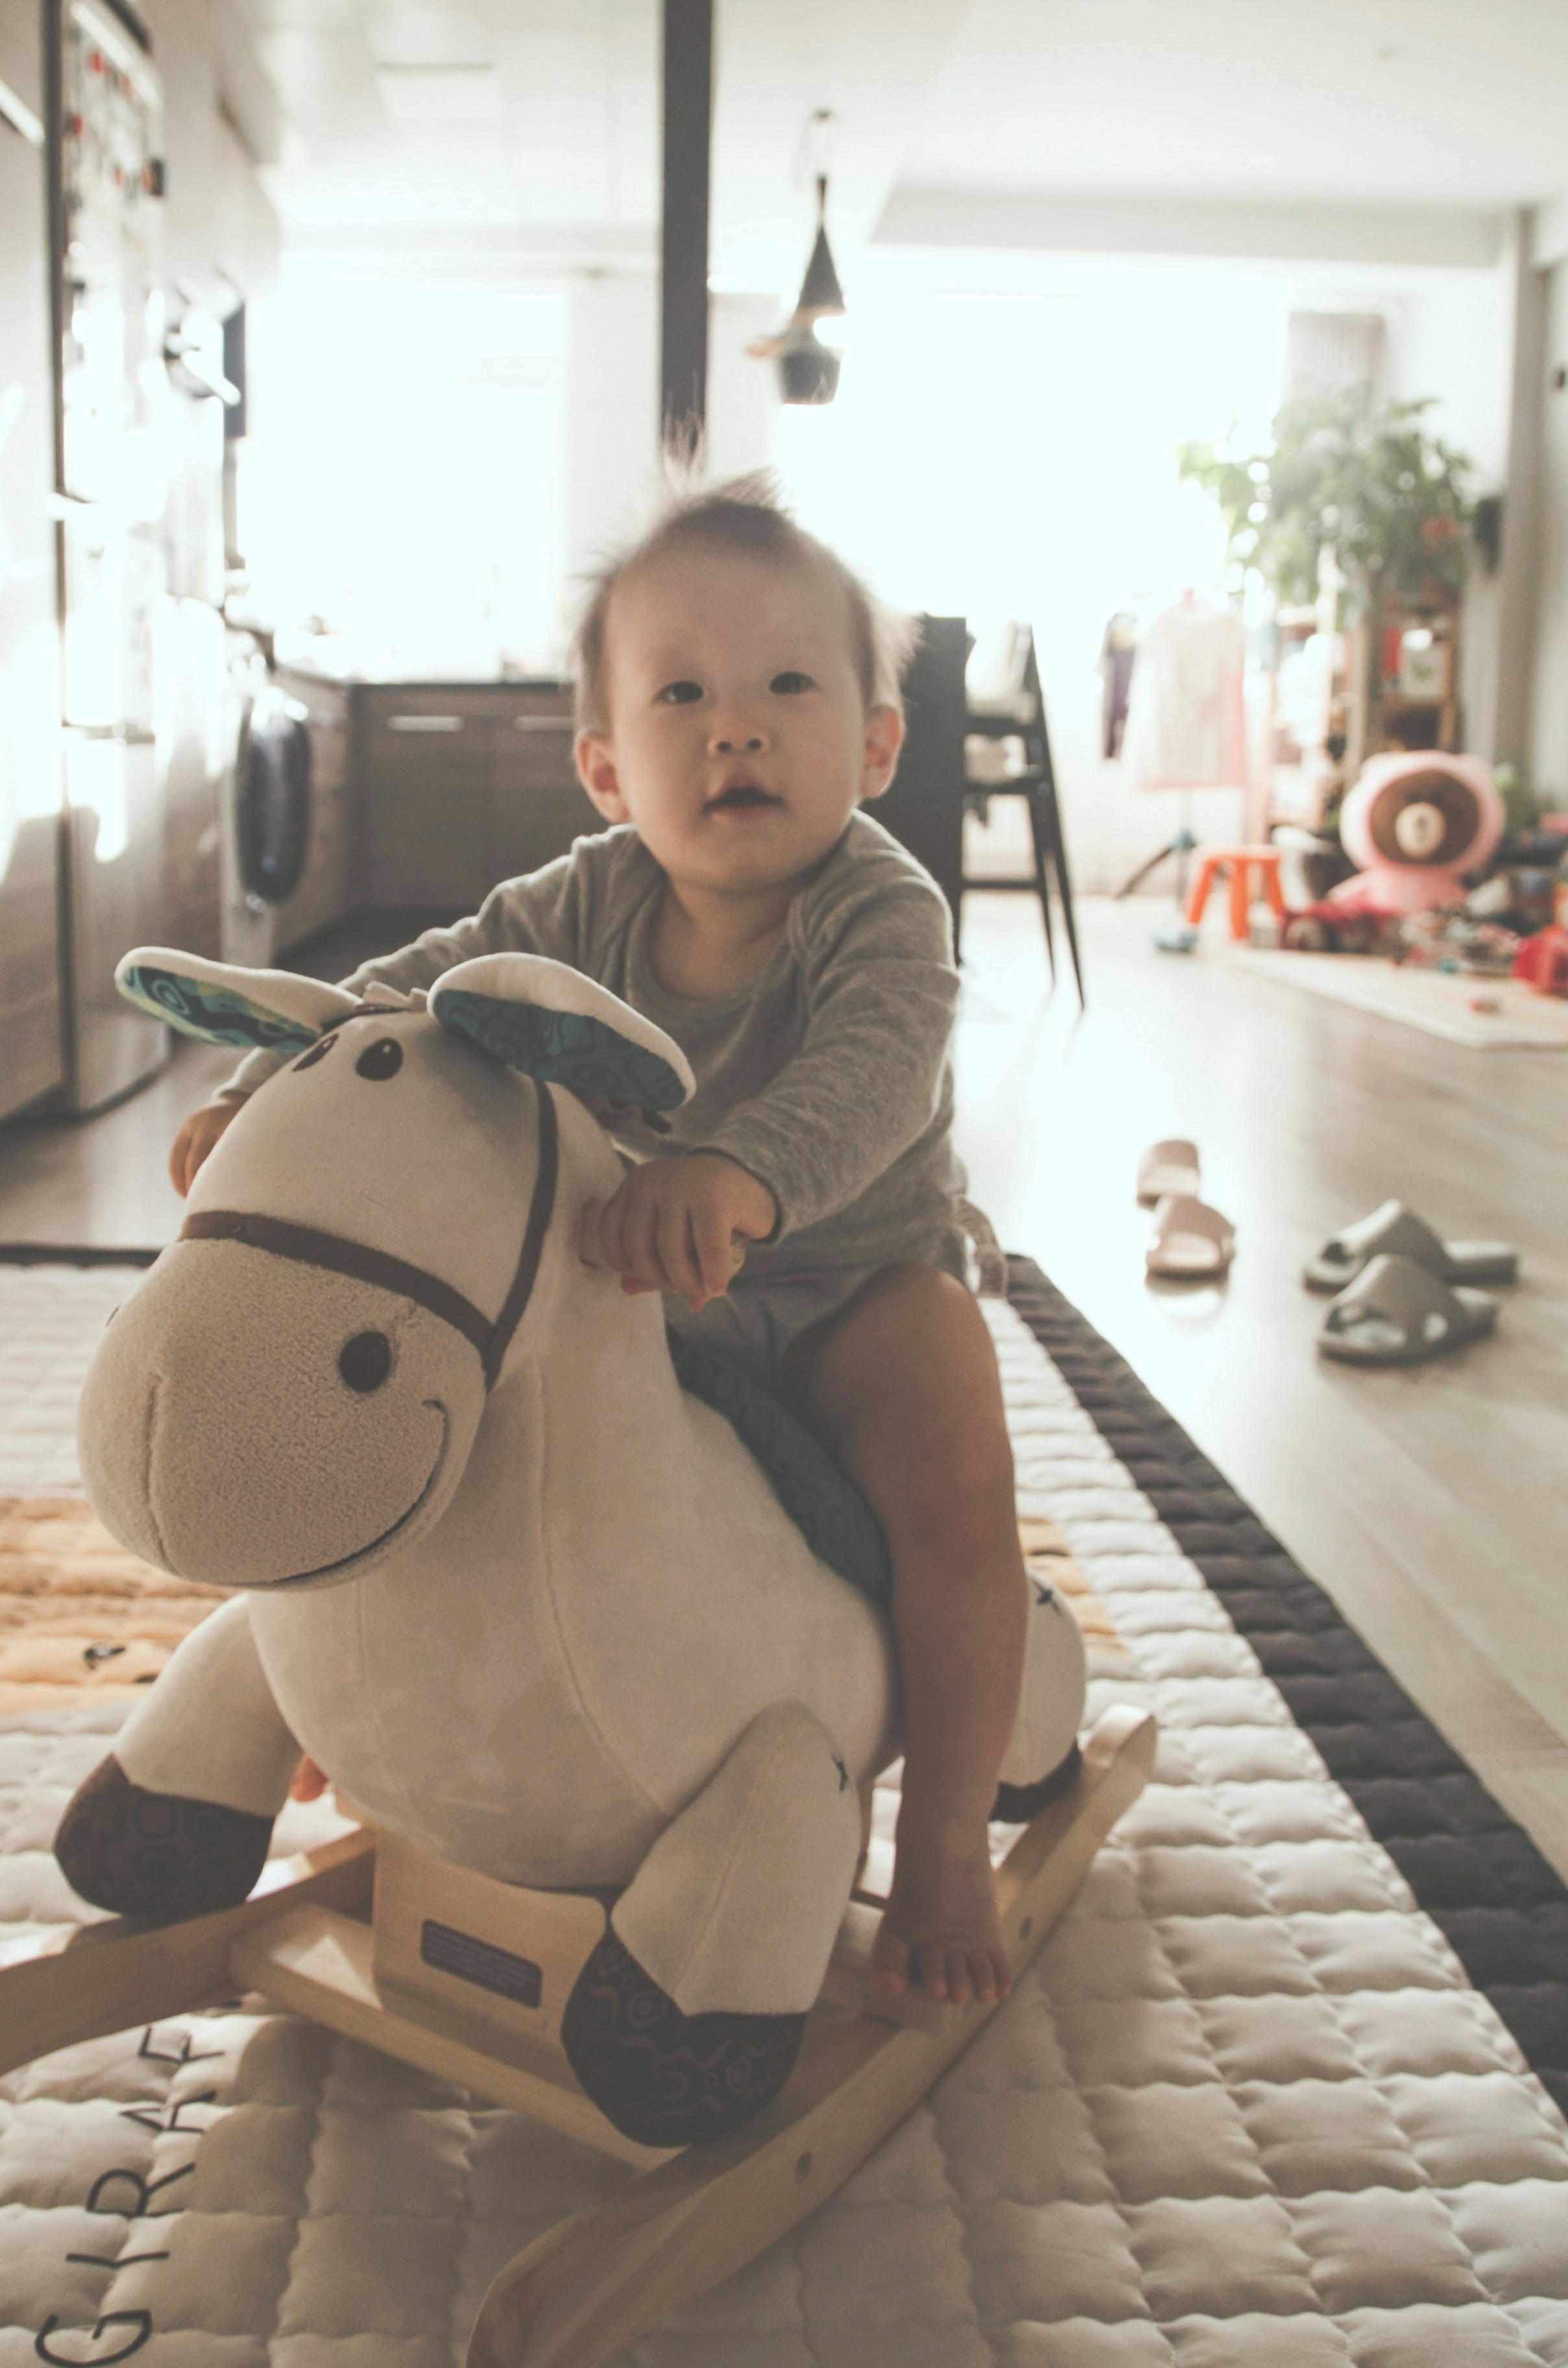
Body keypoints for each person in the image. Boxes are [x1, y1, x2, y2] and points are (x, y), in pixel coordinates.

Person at [170, 475, 1029, 2010]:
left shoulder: (881, 910)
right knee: (481, 1434)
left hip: (852, 1276)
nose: (737, 728)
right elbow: (410, 990)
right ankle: (381, 1694)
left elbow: (877, 1075)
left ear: (878, 745)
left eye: (787, 686)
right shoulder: (577, 902)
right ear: (606, 768)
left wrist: (737, 1172)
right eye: (683, 692)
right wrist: (252, 1087)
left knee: (957, 1483)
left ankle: (953, 1828)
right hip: (646, 1288)